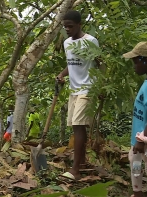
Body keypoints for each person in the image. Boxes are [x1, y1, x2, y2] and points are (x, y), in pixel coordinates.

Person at [56, 10, 101, 180]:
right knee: (76, 126)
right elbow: (71, 65)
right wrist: (62, 75)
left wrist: (100, 87)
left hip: (88, 88)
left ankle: (75, 170)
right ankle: (81, 162)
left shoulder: (90, 41)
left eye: (70, 26)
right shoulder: (67, 43)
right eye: (65, 26)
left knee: (78, 124)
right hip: (74, 90)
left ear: (79, 25)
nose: (67, 29)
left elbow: (100, 63)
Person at [123, 41, 147, 197]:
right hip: (137, 139)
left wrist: (143, 137)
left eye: (136, 61)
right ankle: (137, 193)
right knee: (135, 164)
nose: (134, 65)